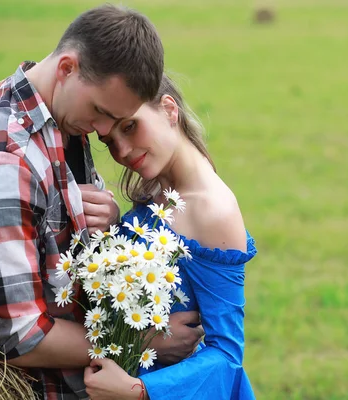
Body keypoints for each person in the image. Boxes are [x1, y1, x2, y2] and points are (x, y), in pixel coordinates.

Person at [0, 5, 203, 399]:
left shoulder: (57, 112)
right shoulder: (0, 163)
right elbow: (18, 334)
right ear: (66, 67)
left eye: (118, 119)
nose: (104, 133)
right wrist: (142, 342)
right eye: (101, 113)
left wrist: (108, 219)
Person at [83, 74, 257, 399]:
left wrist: (140, 390)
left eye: (130, 126)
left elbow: (228, 355)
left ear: (168, 110)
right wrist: (114, 229)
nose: (121, 150)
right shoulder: (160, 184)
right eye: (109, 141)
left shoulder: (212, 209)